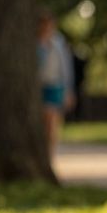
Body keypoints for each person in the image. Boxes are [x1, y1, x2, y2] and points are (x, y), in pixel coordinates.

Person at [37, 9, 74, 163]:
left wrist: (68, 90)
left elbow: (65, 68)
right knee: (43, 121)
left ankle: (49, 156)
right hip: (39, 86)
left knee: (52, 122)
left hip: (55, 85)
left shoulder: (58, 43)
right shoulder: (34, 43)